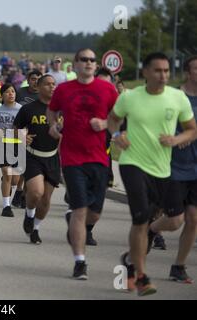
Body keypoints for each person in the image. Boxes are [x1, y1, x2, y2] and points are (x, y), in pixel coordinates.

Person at [108, 52, 197, 296]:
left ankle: (130, 258)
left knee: (177, 220)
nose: (163, 75)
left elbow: (192, 130)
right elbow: (112, 120)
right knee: (140, 218)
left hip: (163, 168)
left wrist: (176, 138)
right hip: (132, 163)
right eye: (158, 71)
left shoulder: (177, 98)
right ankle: (141, 276)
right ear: (145, 72)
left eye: (167, 71)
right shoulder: (130, 97)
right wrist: (117, 136)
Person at [48, 49, 118, 280]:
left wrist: (106, 122)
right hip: (72, 158)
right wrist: (54, 125)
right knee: (79, 209)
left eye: (91, 60)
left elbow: (119, 117)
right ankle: (80, 262)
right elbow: (52, 111)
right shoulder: (64, 89)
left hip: (99, 158)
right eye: (84, 60)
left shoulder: (107, 89)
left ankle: (75, 221)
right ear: (75, 64)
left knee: (94, 214)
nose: (88, 63)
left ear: (95, 65)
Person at [147, 55, 197, 283]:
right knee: (175, 220)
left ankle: (178, 266)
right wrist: (177, 138)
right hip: (173, 166)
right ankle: (151, 229)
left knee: (194, 219)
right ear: (188, 72)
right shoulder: (173, 97)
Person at [13, 74, 60, 244]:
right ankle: (29, 214)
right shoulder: (28, 109)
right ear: (39, 87)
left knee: (46, 200)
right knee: (36, 192)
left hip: (53, 157)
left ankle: (36, 228)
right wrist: (22, 136)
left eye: (54, 84)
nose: (52, 87)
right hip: (33, 156)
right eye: (47, 84)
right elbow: (15, 128)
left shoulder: (61, 111)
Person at [0, 84, 22, 218]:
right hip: (2, 144)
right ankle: (6, 206)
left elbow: (28, 126)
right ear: (2, 95)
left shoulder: (22, 109)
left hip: (19, 145)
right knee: (7, 175)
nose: (11, 94)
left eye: (13, 91)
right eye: (7, 92)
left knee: (15, 180)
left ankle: (7, 183)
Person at [12, 69, 43, 209]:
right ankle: (17, 188)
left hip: (35, 134)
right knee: (18, 167)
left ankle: (22, 194)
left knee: (27, 167)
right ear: (28, 80)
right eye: (33, 79)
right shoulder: (20, 93)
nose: (35, 81)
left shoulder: (43, 96)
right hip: (18, 130)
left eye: (38, 79)